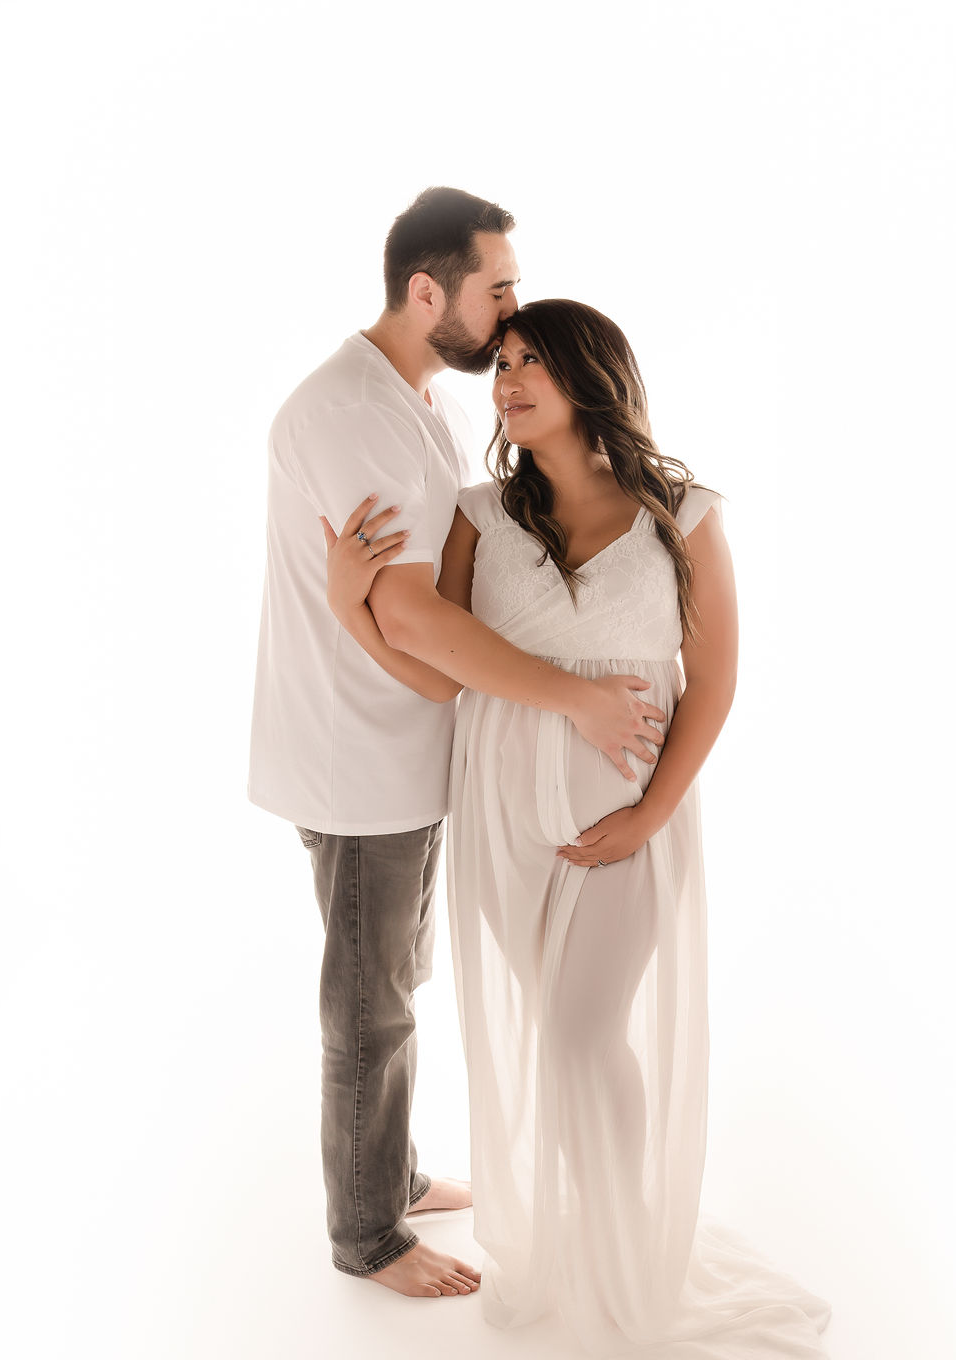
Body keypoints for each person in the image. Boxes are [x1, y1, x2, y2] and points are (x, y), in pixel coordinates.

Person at [324, 299, 832, 1360]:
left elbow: (715, 680)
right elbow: (441, 671)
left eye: (531, 364)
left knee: (583, 1030)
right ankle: (594, 1236)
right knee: (566, 1033)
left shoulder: (681, 513)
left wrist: (649, 816)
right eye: (500, 361)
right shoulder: (476, 514)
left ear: (590, 377)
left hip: (626, 816)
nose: (505, 379)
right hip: (506, 814)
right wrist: (351, 610)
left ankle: (634, 1252)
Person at [248, 192, 668, 1300]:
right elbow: (416, 612)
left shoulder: (414, 401)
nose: (511, 311)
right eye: (498, 289)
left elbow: (427, 597)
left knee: (398, 975)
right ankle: (366, 1234)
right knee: (369, 1002)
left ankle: (391, 1172)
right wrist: (571, 703)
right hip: (357, 755)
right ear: (426, 292)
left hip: (410, 743)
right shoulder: (347, 411)